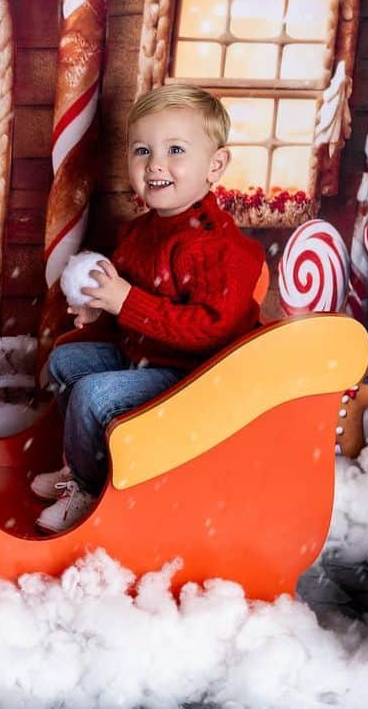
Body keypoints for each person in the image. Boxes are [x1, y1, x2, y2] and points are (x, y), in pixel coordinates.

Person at [34, 84, 265, 533]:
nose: (155, 164)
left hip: (197, 375)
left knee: (93, 394)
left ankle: (89, 488)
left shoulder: (220, 247)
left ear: (215, 165)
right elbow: (132, 297)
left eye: (175, 149)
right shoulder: (138, 232)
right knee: (66, 358)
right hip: (148, 356)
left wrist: (127, 301)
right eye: (142, 150)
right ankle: (81, 463)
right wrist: (103, 308)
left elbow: (211, 331)